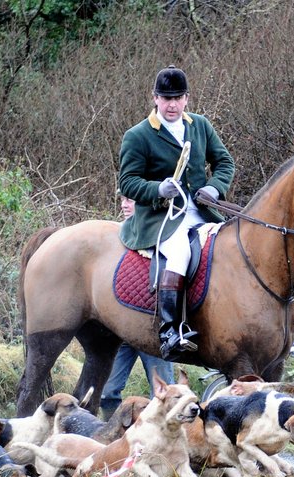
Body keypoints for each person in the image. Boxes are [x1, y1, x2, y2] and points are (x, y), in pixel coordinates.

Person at [118, 64, 235, 361]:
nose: (172, 105)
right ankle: (171, 330)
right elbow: (128, 182)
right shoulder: (139, 135)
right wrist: (158, 190)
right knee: (181, 251)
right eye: (166, 98)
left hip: (202, 213)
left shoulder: (200, 125)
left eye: (178, 98)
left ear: (186, 99)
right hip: (161, 219)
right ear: (154, 98)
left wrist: (214, 188)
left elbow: (224, 162)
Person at [100, 195, 175, 419]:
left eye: (130, 200)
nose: (124, 204)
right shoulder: (113, 239)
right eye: (122, 199)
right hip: (120, 331)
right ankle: (114, 433)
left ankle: (162, 442)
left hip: (151, 330)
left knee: (163, 394)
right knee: (107, 392)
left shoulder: (165, 236)